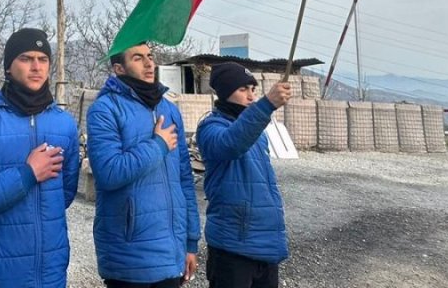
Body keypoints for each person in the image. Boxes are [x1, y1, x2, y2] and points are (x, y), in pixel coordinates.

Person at [0, 28, 81, 287]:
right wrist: (26, 174)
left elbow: (63, 195)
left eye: (43, 60)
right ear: (9, 67)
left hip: (48, 274)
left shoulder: (64, 124)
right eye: (26, 58)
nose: (36, 67)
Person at [86, 42, 200, 288]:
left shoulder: (169, 110)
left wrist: (191, 242)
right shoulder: (105, 109)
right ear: (119, 68)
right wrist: (157, 145)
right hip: (129, 256)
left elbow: (184, 180)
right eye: (138, 58)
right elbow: (108, 173)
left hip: (171, 253)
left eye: (150, 56)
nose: (149, 63)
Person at [196, 63, 293, 288]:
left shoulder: (258, 134)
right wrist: (267, 104)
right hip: (232, 246)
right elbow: (230, 143)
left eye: (253, 89)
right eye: (243, 89)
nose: (250, 96)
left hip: (265, 244)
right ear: (224, 92)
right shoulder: (210, 127)